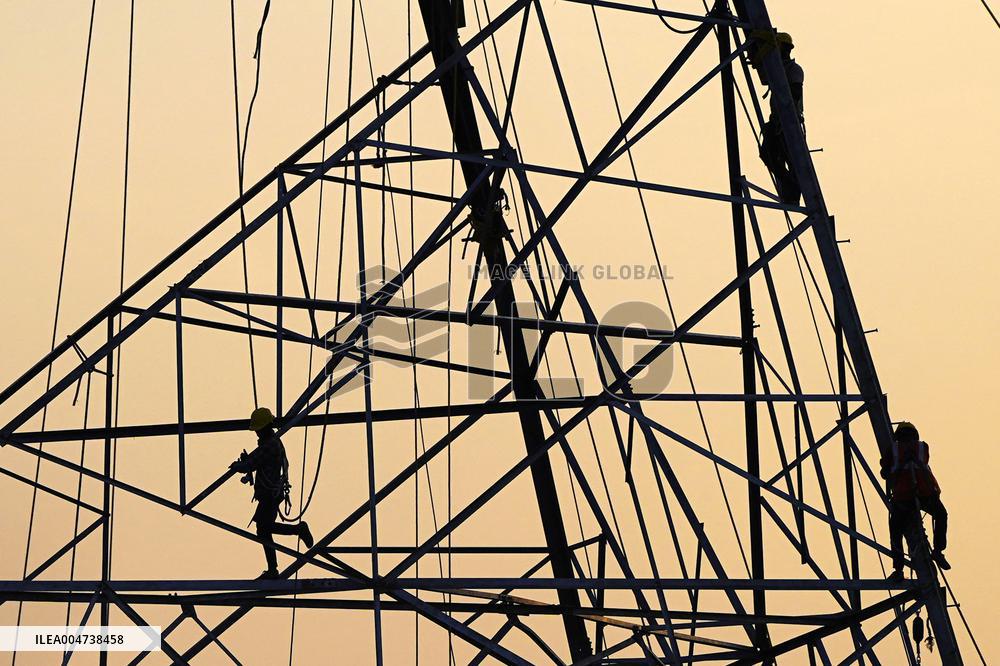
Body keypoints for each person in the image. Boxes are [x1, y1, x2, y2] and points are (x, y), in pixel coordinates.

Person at [230, 407, 313, 579]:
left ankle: (298, 531)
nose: (257, 434)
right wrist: (247, 462)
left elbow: (252, 464)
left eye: (259, 430)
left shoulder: (270, 445)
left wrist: (239, 466)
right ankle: (273, 569)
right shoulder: (271, 442)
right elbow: (256, 460)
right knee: (263, 529)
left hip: (270, 495)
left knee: (263, 528)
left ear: (266, 427)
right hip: (270, 494)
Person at [880, 421, 950, 581]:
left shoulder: (894, 450)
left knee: (895, 530)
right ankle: (938, 551)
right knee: (941, 515)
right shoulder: (922, 447)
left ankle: (898, 570)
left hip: (904, 499)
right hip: (925, 495)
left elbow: (885, 471)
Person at [749, 31, 804, 205]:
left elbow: (795, 93)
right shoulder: (777, 69)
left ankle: (793, 191)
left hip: (789, 121)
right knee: (767, 154)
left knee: (792, 159)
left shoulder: (793, 69)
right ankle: (790, 186)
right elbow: (765, 78)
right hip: (777, 121)